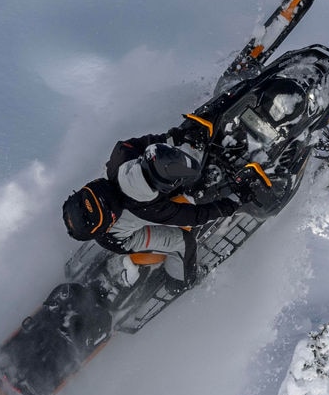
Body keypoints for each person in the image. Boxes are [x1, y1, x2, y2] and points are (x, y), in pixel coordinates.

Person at [62, 119, 253, 293]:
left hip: (111, 219)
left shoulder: (122, 155)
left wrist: (173, 137)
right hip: (121, 239)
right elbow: (195, 217)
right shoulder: (150, 208)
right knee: (185, 243)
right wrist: (231, 204)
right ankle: (180, 282)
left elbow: (144, 143)